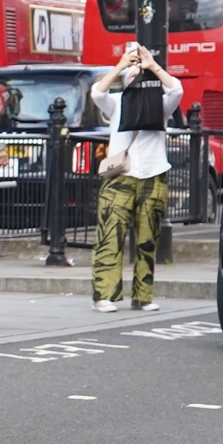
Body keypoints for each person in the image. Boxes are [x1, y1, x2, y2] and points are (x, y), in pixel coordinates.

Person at [92, 40, 185, 312]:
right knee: (110, 235)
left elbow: (177, 89)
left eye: (141, 75)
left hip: (154, 174)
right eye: (132, 76)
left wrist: (153, 65)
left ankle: (143, 296)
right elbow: (98, 93)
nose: (138, 77)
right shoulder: (117, 102)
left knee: (147, 239)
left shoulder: (161, 105)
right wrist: (121, 65)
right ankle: (104, 295)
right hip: (121, 176)